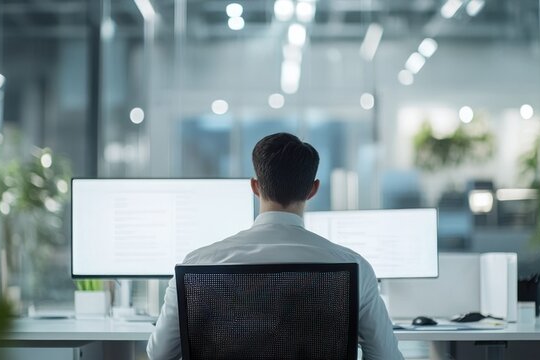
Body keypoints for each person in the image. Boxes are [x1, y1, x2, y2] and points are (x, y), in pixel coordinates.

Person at [147, 132, 403, 360]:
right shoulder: (355, 267)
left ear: (255, 187)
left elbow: (160, 354)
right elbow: (385, 356)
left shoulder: (197, 264)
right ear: (313, 190)